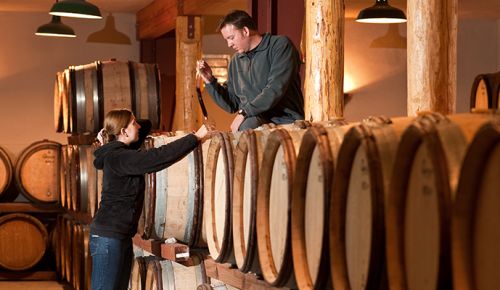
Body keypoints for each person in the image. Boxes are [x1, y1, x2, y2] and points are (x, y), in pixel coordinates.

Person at [89, 108, 211, 290]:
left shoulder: (117, 152)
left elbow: (146, 125)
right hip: (109, 238)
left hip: (118, 236)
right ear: (123, 131)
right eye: (133, 123)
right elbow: (159, 156)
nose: (138, 126)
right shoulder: (120, 157)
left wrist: (114, 131)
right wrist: (196, 137)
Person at [197, 10, 305, 133]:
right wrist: (210, 81)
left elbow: (275, 88)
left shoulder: (280, 46)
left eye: (231, 38)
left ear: (245, 31)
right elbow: (232, 104)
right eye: (226, 40)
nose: (229, 44)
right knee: (248, 125)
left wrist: (244, 112)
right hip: (254, 120)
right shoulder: (235, 62)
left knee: (247, 124)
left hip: (286, 121)